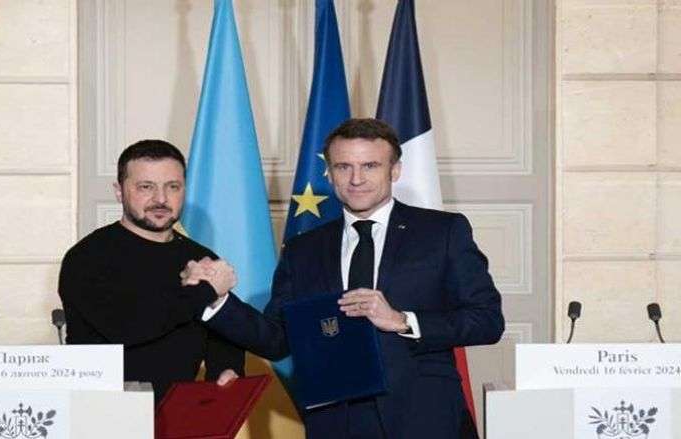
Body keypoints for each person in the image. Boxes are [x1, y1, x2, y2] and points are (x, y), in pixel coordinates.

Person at [184, 118, 504, 438]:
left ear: (394, 170)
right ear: (329, 173)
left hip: (424, 418)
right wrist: (218, 300)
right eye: (343, 167)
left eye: (370, 166)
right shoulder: (302, 249)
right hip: (335, 423)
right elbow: (278, 339)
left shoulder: (443, 232)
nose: (356, 179)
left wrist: (402, 320)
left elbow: (488, 320)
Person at [58, 139, 243, 405]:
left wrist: (226, 369)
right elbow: (129, 327)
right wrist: (205, 290)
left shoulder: (200, 257)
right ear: (119, 191)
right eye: (146, 187)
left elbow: (222, 333)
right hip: (102, 413)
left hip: (182, 414)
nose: (161, 199)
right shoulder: (87, 258)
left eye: (173, 187)